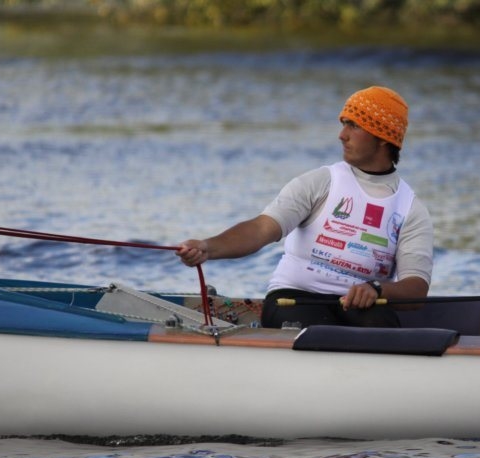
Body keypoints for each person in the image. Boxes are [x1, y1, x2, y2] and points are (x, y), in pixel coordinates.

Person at [177, 86, 433, 328]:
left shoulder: (410, 208)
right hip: (295, 297)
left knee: (381, 323)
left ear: (383, 138)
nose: (342, 135)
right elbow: (261, 229)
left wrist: (377, 289)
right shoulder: (320, 183)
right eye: (344, 124)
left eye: (354, 126)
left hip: (361, 304)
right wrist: (208, 247)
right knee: (324, 331)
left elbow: (417, 289)